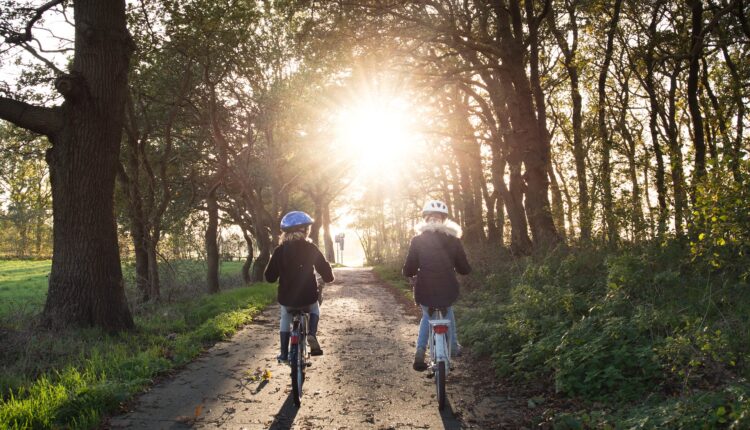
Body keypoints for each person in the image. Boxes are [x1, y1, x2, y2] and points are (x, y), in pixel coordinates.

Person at [403, 200, 471, 371]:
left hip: (425, 287)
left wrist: (409, 273)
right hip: (448, 287)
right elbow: (464, 268)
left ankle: (420, 351)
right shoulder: (454, 240)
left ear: (426, 219)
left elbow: (409, 268)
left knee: (427, 315)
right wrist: (463, 269)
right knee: (448, 310)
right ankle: (453, 347)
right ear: (444, 219)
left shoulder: (417, 240)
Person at [265, 211, 334, 362]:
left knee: (285, 315)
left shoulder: (279, 251)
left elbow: (269, 277)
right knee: (315, 308)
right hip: (308, 297)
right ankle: (312, 334)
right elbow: (326, 273)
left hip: (287, 299)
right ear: (305, 230)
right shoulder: (311, 248)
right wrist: (328, 277)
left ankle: (283, 353)